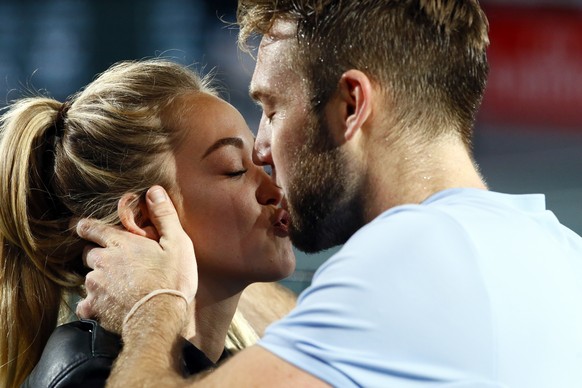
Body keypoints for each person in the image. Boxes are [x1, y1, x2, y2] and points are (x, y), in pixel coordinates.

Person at [75, 0, 582, 387]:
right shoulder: (558, 250)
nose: (264, 146)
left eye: (273, 109)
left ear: (350, 105)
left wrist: (153, 307)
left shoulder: (406, 261)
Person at [0, 59, 296, 388]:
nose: (274, 190)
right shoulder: (88, 373)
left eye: (260, 165)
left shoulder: (230, 366)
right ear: (145, 219)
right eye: (234, 169)